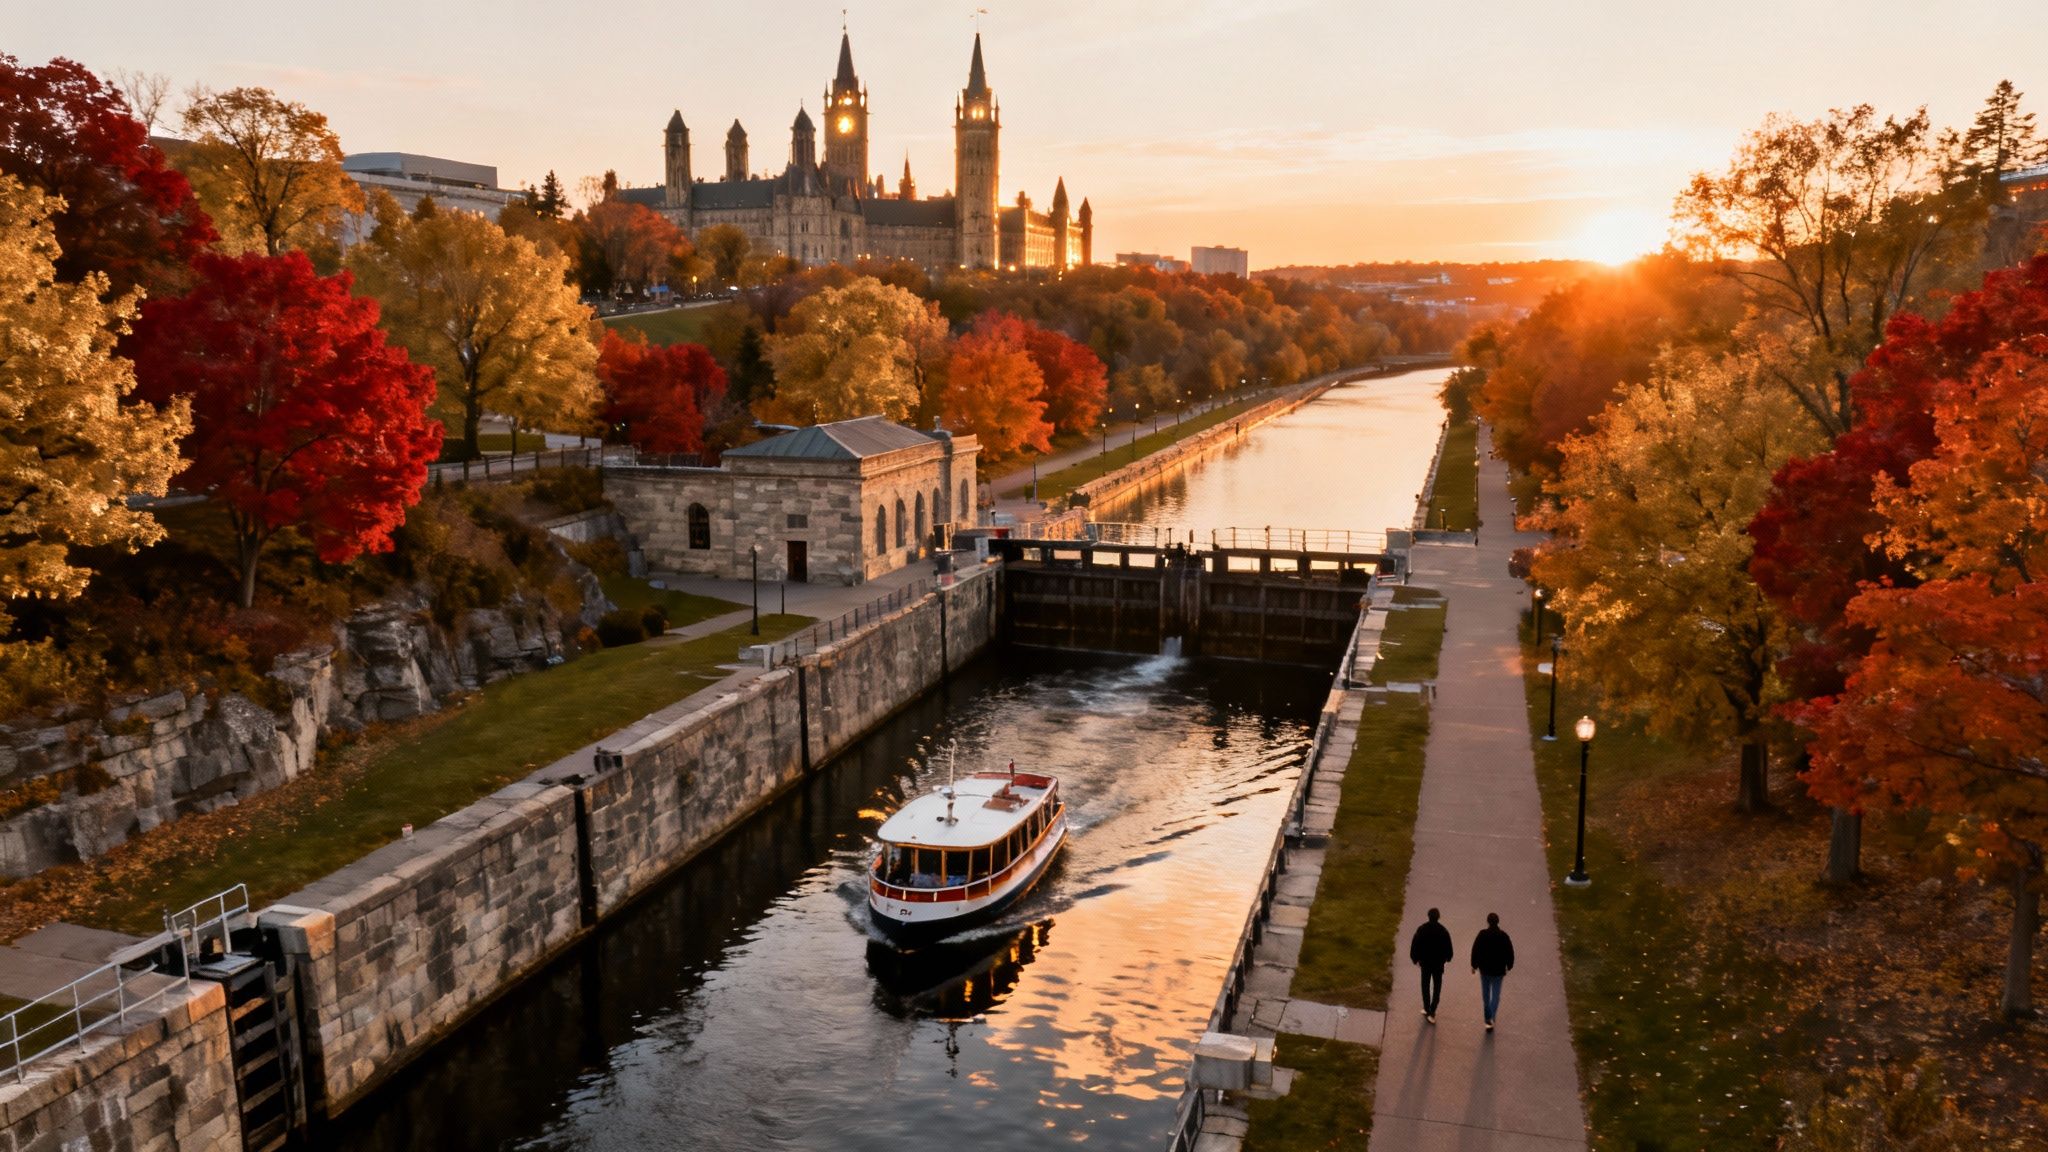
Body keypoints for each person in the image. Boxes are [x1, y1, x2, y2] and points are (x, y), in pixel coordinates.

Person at [1407, 908, 1454, 1024]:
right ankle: (1432, 1011)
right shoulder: (1443, 931)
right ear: (1438, 917)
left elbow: (1415, 944)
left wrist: (1415, 958)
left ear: (1428, 916)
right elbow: (1449, 949)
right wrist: (1447, 959)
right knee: (1437, 987)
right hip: (1438, 964)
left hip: (1425, 963)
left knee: (1425, 985)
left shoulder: (1422, 929)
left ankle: (1426, 1007)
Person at [1471, 912, 1515, 1031]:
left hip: (1484, 970)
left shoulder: (1482, 935)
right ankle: (1491, 1017)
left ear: (1488, 922)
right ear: (1498, 922)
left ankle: (1487, 1017)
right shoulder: (1504, 936)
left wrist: (1473, 965)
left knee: (1485, 995)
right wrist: (1509, 965)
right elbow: (1509, 952)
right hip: (1498, 971)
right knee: (1495, 995)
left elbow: (1475, 950)